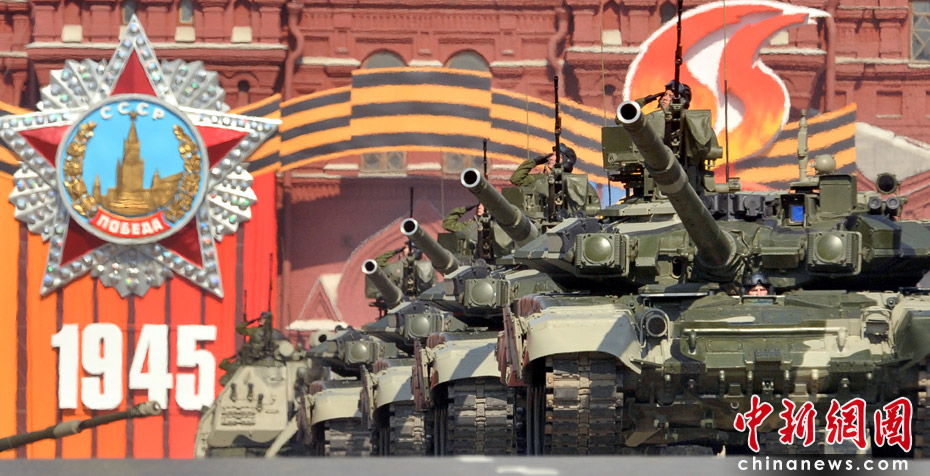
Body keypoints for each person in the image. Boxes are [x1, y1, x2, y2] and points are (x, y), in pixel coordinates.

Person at [509, 143, 578, 187]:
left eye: (557, 156)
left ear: (566, 161)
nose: (551, 158)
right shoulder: (542, 178)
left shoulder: (573, 181)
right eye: (552, 155)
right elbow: (516, 180)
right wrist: (534, 162)